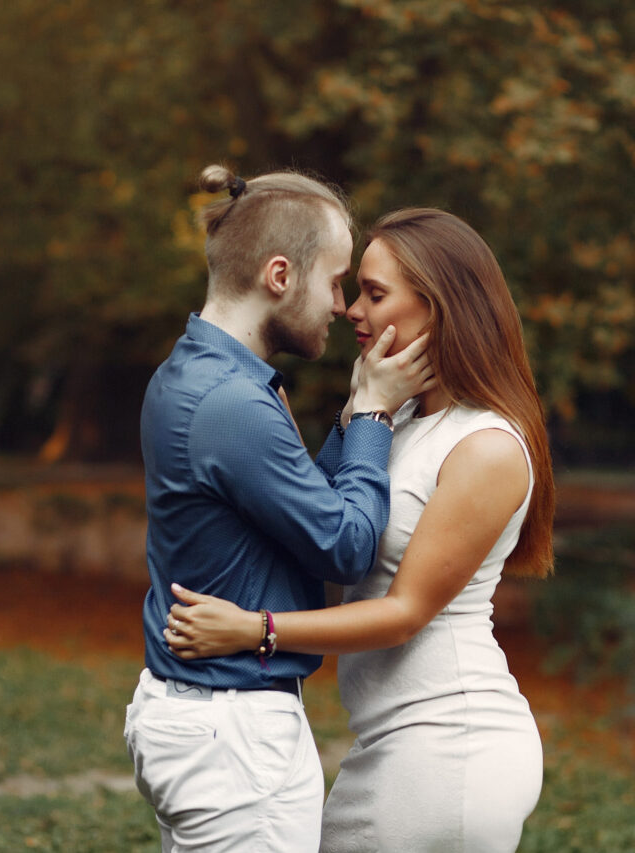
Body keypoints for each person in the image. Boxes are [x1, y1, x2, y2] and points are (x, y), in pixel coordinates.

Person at [164, 207, 556, 853]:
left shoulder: (484, 445)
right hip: (395, 740)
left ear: (441, 305)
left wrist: (256, 629)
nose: (352, 308)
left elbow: (404, 613)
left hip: (450, 743)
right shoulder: (395, 424)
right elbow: (319, 533)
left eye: (375, 293)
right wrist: (358, 410)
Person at [124, 168, 434, 853]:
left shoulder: (199, 373)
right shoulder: (232, 405)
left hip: (204, 720)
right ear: (278, 275)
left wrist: (356, 416)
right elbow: (345, 544)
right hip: (232, 737)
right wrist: (377, 415)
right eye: (334, 280)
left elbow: (297, 508)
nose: (342, 305)